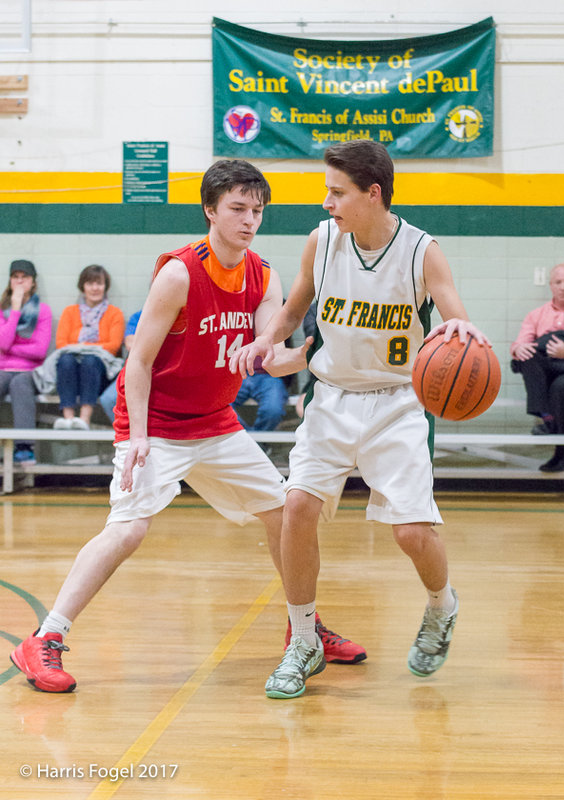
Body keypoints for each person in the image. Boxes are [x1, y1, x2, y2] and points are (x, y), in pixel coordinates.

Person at [10, 159, 365, 694]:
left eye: (257, 211)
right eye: (238, 209)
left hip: (215, 423)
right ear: (210, 211)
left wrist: (309, 355)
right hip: (155, 423)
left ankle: (305, 629)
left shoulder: (262, 275)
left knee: (287, 515)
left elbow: (269, 356)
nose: (250, 221)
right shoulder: (179, 273)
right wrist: (138, 437)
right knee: (128, 528)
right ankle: (44, 638)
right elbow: (138, 361)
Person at [231, 140, 490, 699]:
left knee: (411, 533)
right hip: (331, 398)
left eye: (337, 192)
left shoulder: (421, 251)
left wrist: (464, 331)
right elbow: (293, 309)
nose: (327, 203)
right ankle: (303, 641)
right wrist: (265, 339)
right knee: (297, 507)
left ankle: (442, 606)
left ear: (373, 194)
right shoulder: (322, 240)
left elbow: (456, 319)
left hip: (398, 404)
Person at [511, 263, 564, 472]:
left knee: (563, 385)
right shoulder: (536, 315)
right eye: (558, 282)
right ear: (551, 285)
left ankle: (560, 455)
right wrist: (518, 349)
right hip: (542, 373)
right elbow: (520, 343)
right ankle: (546, 416)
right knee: (528, 354)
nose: (563, 287)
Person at [52, 265, 125, 430]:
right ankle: (68, 419)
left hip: (100, 372)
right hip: (70, 371)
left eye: (99, 283)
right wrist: (92, 347)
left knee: (90, 360)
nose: (95, 288)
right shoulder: (69, 312)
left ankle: (84, 419)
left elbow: (113, 347)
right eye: (90, 283)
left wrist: (81, 347)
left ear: (105, 286)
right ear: (82, 286)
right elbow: (61, 344)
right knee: (66, 359)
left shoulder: (114, 313)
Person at [0, 259, 52, 464]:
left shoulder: (43, 311)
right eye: (16, 277)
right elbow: (3, 342)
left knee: (20, 383)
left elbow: (40, 351)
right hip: (3, 369)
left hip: (30, 371)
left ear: (33, 282)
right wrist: (15, 310)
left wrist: (9, 349)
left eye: (25, 277)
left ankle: (24, 448)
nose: (20, 281)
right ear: (10, 281)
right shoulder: (2, 309)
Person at [98, 310, 141, 423]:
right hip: (140, 368)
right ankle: (129, 431)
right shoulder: (139, 316)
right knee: (109, 399)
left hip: (169, 371)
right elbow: (130, 344)